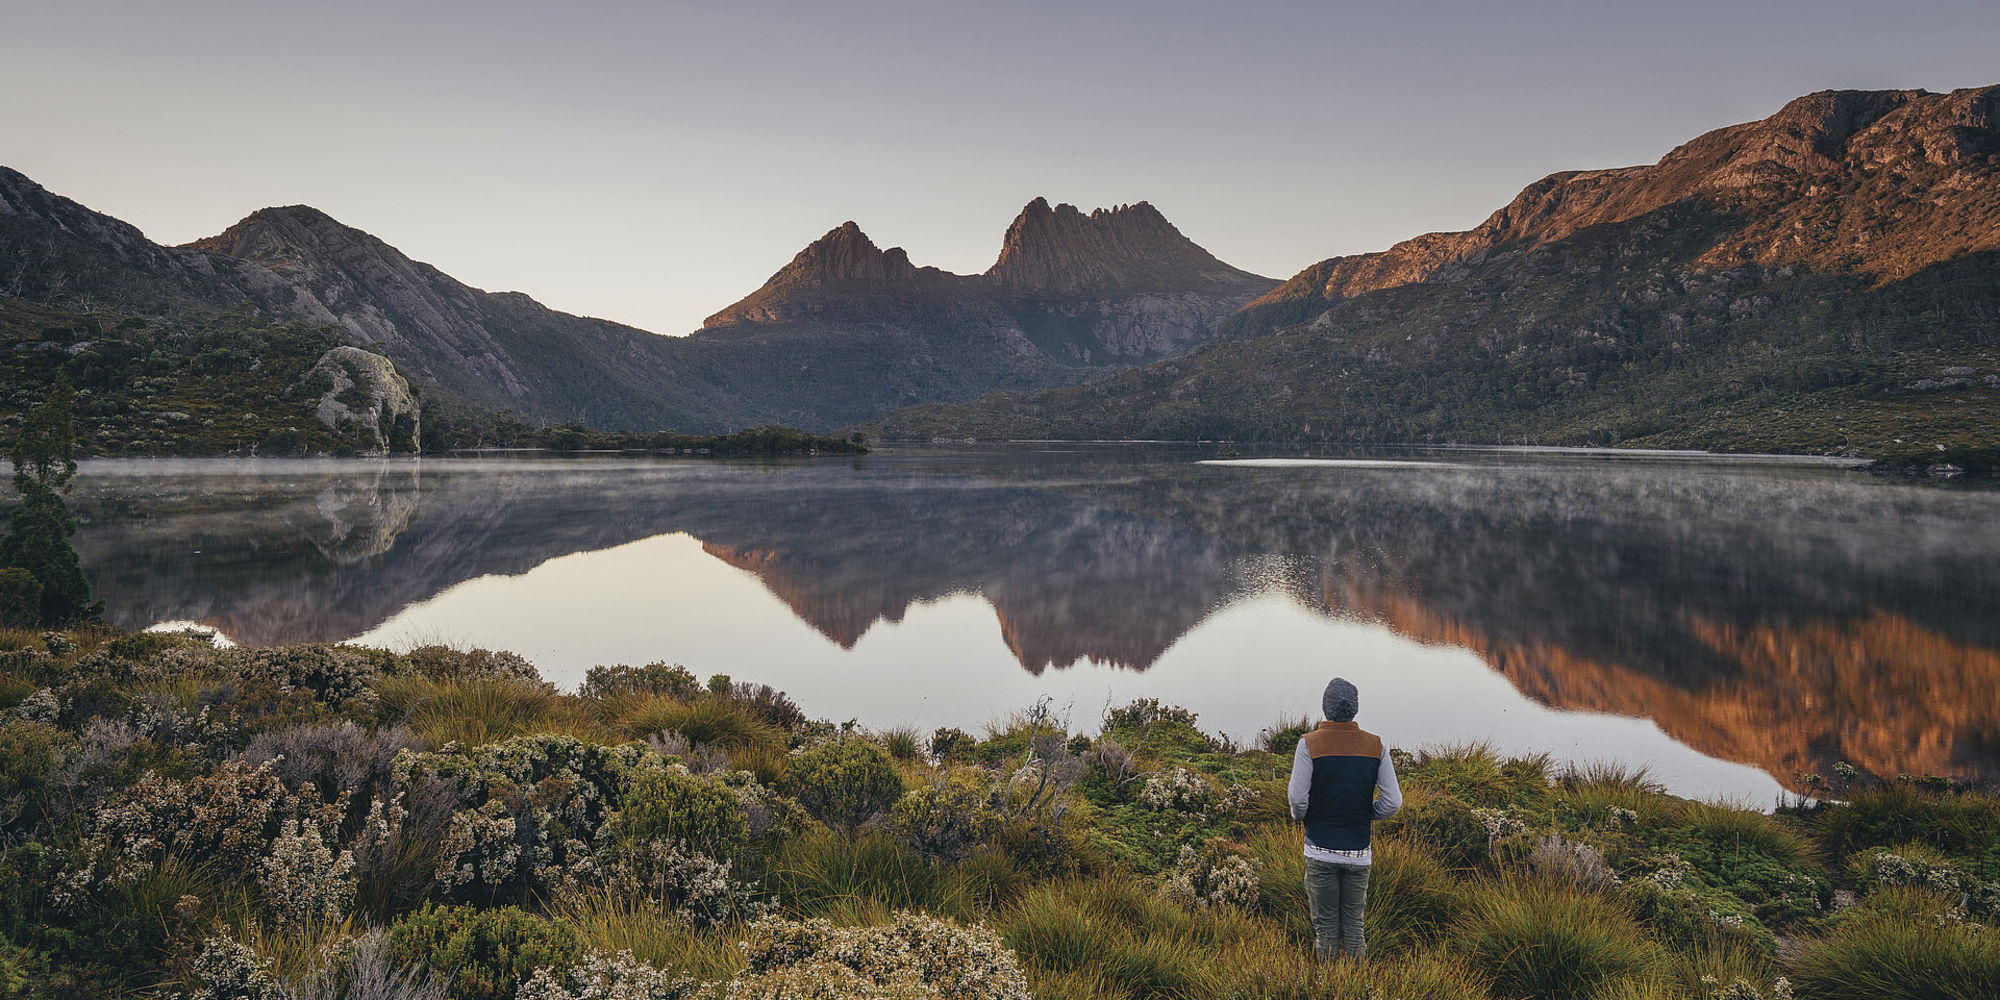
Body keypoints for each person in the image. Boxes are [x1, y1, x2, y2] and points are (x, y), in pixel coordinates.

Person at [1286, 676, 1402, 962]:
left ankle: (1329, 988)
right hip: (1359, 853)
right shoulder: (1376, 746)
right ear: (1355, 708)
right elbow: (1393, 802)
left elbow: (1298, 800)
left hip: (1320, 850)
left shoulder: (1308, 744)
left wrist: (1302, 817)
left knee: (1325, 928)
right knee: (1354, 928)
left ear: (1326, 707)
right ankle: (1355, 987)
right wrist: (1368, 814)